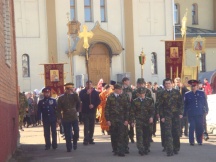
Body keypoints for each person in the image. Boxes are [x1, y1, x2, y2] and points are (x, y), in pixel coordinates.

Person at [158, 78, 183, 156]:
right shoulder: (162, 93)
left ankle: (176, 148)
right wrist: (161, 116)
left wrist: (181, 113)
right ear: (164, 84)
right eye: (166, 83)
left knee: (176, 132)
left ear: (172, 84)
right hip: (167, 115)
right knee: (168, 133)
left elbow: (181, 103)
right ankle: (169, 150)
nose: (168, 85)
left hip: (176, 115)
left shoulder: (176, 92)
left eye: (169, 83)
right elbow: (160, 106)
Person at [105, 84, 130, 157]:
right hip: (113, 119)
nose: (120, 91)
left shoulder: (124, 97)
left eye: (121, 89)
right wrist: (108, 120)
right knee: (114, 135)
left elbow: (127, 109)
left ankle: (121, 150)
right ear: (115, 89)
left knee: (122, 135)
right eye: (119, 89)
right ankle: (115, 149)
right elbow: (107, 109)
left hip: (122, 119)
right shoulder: (110, 97)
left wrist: (126, 119)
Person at [130, 87, 154, 156]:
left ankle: (146, 148)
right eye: (140, 93)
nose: (141, 95)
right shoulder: (135, 101)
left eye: (143, 93)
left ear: (145, 93)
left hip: (147, 120)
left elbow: (152, 110)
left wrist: (151, 117)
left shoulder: (149, 100)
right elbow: (132, 112)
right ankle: (141, 149)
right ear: (138, 94)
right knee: (139, 135)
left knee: (147, 135)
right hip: (139, 120)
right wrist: (132, 121)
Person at [57, 82, 81, 152]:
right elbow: (58, 109)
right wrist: (59, 118)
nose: (68, 90)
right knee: (67, 133)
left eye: (70, 88)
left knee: (76, 130)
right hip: (66, 116)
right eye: (67, 89)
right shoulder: (61, 98)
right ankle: (69, 146)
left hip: (74, 116)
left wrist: (74, 92)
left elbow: (79, 102)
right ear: (65, 89)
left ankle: (75, 142)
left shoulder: (74, 96)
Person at [184, 80, 209, 146]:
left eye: (194, 86)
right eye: (192, 86)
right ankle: (191, 141)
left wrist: (206, 109)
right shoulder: (187, 94)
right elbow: (185, 105)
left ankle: (199, 140)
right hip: (191, 113)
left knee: (199, 127)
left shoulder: (201, 93)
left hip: (199, 112)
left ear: (197, 86)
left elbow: (205, 102)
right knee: (191, 127)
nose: (193, 87)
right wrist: (184, 113)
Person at [79, 80, 100, 145]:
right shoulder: (82, 92)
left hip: (92, 111)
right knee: (86, 126)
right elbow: (80, 99)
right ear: (86, 85)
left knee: (91, 126)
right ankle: (86, 139)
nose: (89, 85)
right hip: (85, 111)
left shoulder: (95, 92)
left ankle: (90, 138)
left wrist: (93, 105)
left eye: (90, 84)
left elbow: (98, 101)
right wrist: (86, 94)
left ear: (92, 85)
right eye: (87, 84)